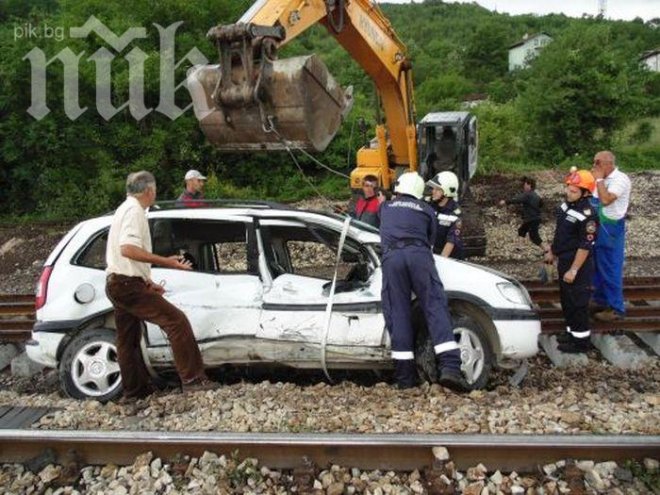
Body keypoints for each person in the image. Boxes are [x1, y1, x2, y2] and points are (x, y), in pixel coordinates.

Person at [106, 171, 214, 402]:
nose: (155, 193)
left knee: (127, 340)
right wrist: (167, 262)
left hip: (120, 281)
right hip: (126, 284)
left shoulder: (124, 208)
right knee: (176, 321)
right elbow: (128, 249)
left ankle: (134, 392)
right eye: (154, 189)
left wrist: (147, 280)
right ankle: (193, 380)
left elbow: (124, 256)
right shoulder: (135, 211)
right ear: (148, 191)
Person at [378, 172, 470, 392]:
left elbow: (385, 223)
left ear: (399, 189)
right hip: (420, 256)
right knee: (435, 308)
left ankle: (405, 378)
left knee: (398, 313)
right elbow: (430, 240)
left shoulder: (385, 208)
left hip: (392, 259)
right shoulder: (428, 210)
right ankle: (450, 368)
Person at [544, 170, 598, 353]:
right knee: (567, 300)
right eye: (568, 188)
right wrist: (552, 250)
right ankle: (571, 333)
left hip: (577, 264)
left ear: (585, 193)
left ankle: (581, 343)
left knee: (577, 303)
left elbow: (585, 245)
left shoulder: (588, 215)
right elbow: (561, 232)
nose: (568, 192)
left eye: (574, 191)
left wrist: (574, 270)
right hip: (564, 259)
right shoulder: (567, 206)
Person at [590, 151, 631, 322]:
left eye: (596, 162)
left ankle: (616, 309)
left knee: (610, 267)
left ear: (606, 163)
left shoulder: (620, 179)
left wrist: (599, 180)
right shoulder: (601, 178)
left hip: (611, 228)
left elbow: (606, 200)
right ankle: (600, 300)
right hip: (597, 225)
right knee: (596, 266)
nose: (593, 166)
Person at [426, 171, 464, 259]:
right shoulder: (428, 204)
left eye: (438, 189)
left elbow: (451, 241)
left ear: (447, 192)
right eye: (433, 188)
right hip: (430, 251)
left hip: (449, 258)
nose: (433, 192)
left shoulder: (455, 214)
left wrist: (441, 261)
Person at [499, 176, 544, 250]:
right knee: (522, 230)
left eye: (525, 184)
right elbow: (541, 204)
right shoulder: (536, 195)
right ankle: (519, 246)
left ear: (529, 185)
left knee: (534, 236)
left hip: (531, 219)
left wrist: (506, 201)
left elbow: (517, 199)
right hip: (534, 218)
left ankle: (547, 250)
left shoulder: (527, 194)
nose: (524, 186)